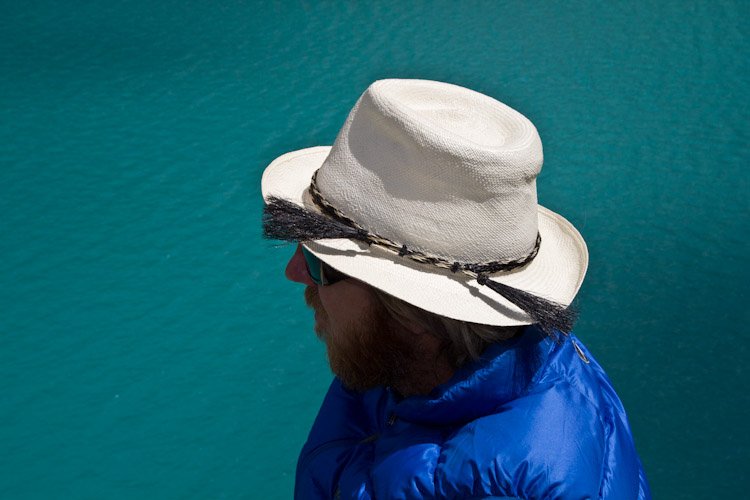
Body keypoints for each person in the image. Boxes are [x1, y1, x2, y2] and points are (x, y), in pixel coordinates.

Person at [262, 79, 650, 500]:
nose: (295, 271)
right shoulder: (395, 361)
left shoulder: (514, 487)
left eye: (323, 265)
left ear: (410, 313)